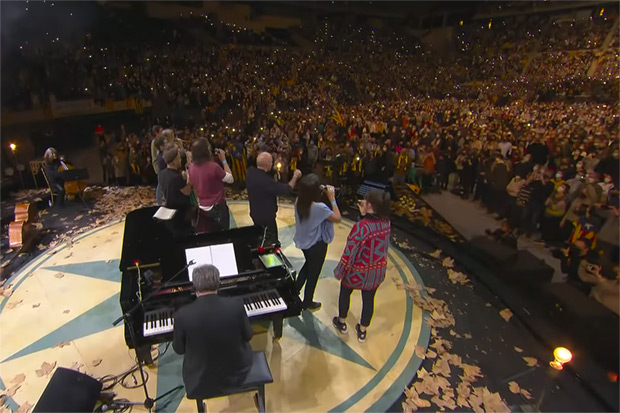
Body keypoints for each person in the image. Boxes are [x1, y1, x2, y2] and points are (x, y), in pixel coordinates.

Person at [173, 264, 253, 405]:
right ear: (219, 283)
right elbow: (248, 336)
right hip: (238, 372)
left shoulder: (182, 315)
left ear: (194, 286)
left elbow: (179, 349)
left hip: (200, 378)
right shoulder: (236, 305)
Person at [332, 189, 391, 343]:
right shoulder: (386, 222)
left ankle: (342, 321)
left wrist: (340, 271)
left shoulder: (361, 227)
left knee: (345, 293)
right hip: (376, 271)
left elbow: (349, 253)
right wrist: (365, 215)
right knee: (369, 299)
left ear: (370, 204)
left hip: (357, 272)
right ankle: (362, 330)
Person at [294, 174, 341, 311]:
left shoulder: (299, 201)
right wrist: (332, 199)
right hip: (316, 245)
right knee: (313, 274)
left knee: (308, 266)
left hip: (304, 243)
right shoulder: (319, 208)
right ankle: (307, 301)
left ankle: (295, 289)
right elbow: (337, 218)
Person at [246, 152, 302, 246]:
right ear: (268, 165)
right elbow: (286, 189)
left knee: (260, 237)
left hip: (255, 213)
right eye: (272, 162)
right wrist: (295, 176)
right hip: (266, 219)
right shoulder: (266, 182)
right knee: (270, 243)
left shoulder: (250, 173)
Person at [188, 138, 234, 231]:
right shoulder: (214, 167)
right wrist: (224, 160)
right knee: (223, 236)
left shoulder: (191, 168)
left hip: (202, 208)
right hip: (217, 208)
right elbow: (230, 179)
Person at [150, 126, 163, 205]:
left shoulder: (158, 141)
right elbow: (155, 156)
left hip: (160, 164)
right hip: (158, 165)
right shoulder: (155, 142)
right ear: (156, 133)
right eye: (160, 131)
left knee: (162, 184)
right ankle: (159, 202)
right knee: (160, 184)